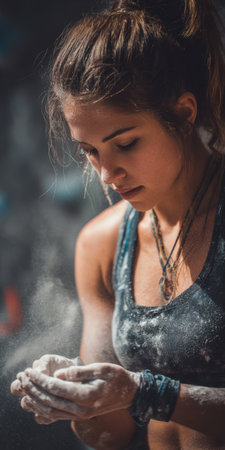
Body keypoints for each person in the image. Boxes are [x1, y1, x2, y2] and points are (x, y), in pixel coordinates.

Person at [10, 0, 225, 448]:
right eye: (90, 151)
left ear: (184, 115)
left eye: (124, 143)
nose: (106, 174)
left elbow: (139, 393)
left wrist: (146, 391)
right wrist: (74, 394)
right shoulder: (102, 244)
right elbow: (110, 436)